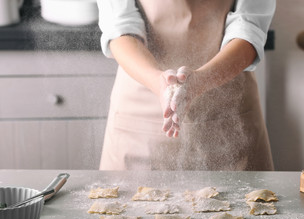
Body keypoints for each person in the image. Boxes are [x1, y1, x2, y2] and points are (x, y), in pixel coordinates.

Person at [97, 0, 276, 171]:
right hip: (139, 120)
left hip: (228, 117)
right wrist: (158, 82)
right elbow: (119, 29)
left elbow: (249, 29)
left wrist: (200, 81)